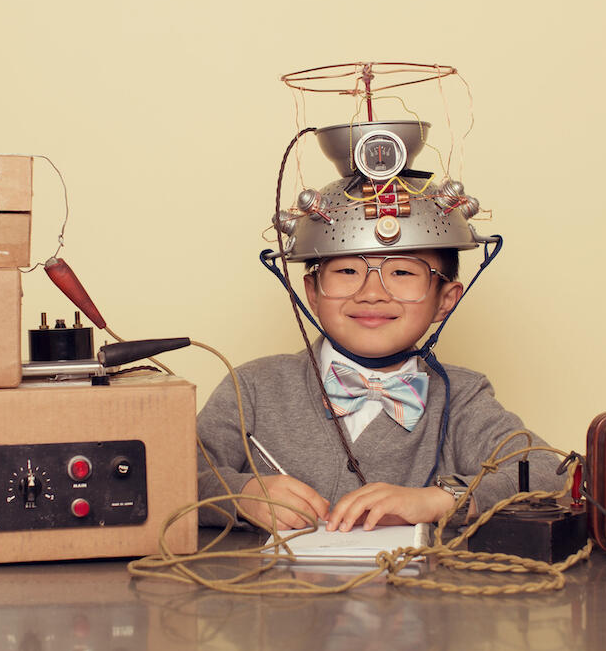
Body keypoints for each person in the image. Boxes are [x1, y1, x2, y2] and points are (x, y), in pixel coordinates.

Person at [195, 125, 560, 534]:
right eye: (348, 271)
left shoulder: (462, 396)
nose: (372, 293)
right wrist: (240, 493)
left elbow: (550, 472)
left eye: (403, 272)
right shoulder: (253, 387)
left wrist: (440, 500)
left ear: (446, 299)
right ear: (311, 291)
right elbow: (172, 479)